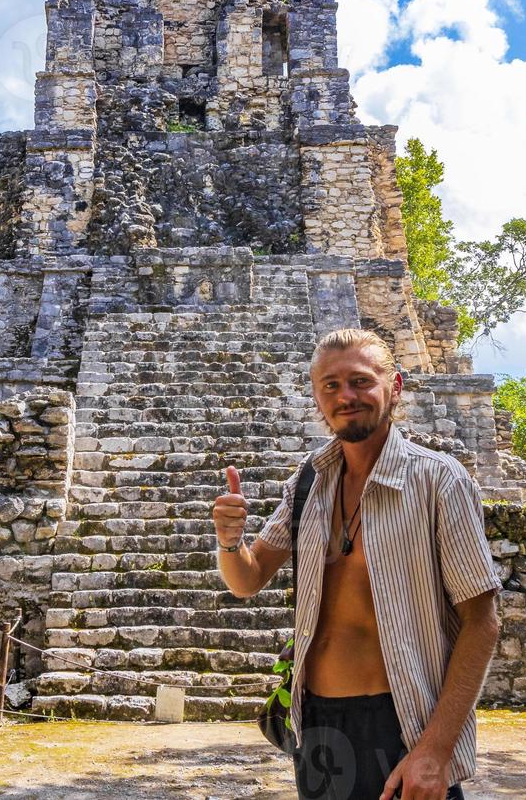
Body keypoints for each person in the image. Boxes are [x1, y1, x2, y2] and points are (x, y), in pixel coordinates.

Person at [213, 328, 502, 800]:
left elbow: (482, 622)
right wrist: (229, 541)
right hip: (319, 726)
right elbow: (247, 578)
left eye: (361, 381)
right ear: (316, 397)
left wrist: (435, 750)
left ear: (395, 386)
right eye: (330, 385)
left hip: (405, 726)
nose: (346, 396)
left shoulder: (437, 482)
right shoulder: (310, 481)